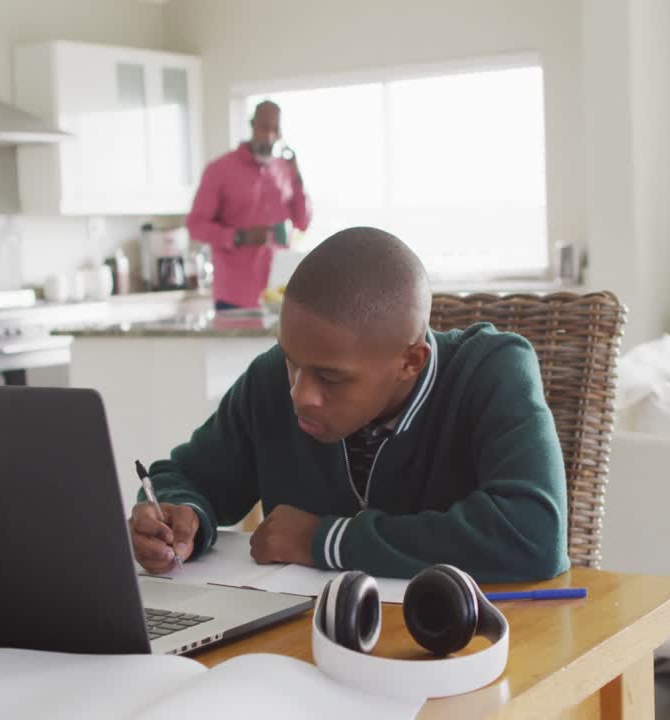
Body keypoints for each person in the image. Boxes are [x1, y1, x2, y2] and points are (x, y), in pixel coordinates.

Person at [129, 227, 568, 583]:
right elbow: (184, 476)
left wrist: (325, 541)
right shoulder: (270, 381)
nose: (300, 394)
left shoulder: (492, 371)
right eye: (291, 362)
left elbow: (533, 533)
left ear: (410, 362)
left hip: (464, 652)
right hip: (303, 649)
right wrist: (182, 514)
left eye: (331, 377)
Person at [186, 100, 312, 311]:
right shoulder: (220, 170)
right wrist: (239, 236)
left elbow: (303, 222)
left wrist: (297, 176)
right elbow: (195, 226)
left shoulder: (284, 170)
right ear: (252, 125)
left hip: (279, 295)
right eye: (264, 127)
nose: (269, 136)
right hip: (235, 296)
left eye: (275, 129)